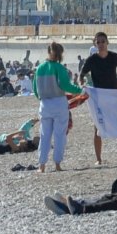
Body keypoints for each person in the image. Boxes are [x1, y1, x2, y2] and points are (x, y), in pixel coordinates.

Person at [82, 32, 117, 164]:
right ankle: (99, 159)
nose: (101, 44)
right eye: (98, 42)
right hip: (99, 97)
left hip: (114, 96)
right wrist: (82, 84)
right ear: (95, 44)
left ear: (107, 42)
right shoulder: (91, 60)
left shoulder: (115, 57)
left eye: (103, 41)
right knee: (97, 127)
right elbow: (82, 74)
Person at [34, 41, 82, 172]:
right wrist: (79, 90)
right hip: (59, 103)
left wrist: (43, 97)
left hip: (45, 104)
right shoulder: (60, 68)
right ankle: (57, 164)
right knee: (60, 135)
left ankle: (42, 165)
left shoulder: (39, 68)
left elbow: (35, 90)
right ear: (60, 54)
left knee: (45, 135)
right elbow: (66, 86)